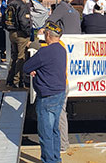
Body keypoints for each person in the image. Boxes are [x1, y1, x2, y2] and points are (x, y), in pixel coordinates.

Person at [23, 21, 67, 163]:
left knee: (46, 132)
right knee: (54, 130)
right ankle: (56, 158)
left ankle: (49, 160)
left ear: (47, 34)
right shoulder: (61, 49)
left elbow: (26, 67)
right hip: (59, 92)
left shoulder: (44, 52)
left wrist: (34, 70)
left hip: (47, 95)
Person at [45, 0, 79, 152]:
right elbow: (49, 22)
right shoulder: (62, 7)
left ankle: (61, 143)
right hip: (68, 47)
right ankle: (60, 143)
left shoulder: (71, 8)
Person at [5, 0, 32, 88]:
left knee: (14, 56)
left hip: (12, 33)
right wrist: (28, 34)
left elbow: (5, 19)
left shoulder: (11, 4)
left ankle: (10, 80)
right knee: (21, 58)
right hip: (21, 35)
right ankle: (18, 81)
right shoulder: (23, 6)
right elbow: (24, 22)